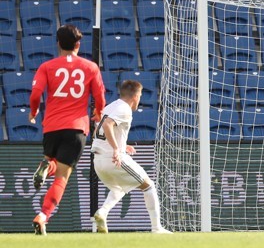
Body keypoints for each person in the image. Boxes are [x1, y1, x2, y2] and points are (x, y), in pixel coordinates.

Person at [30, 24, 106, 236]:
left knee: (54, 163)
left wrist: (34, 112)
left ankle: (46, 166)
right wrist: (99, 113)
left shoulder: (47, 66)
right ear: (78, 45)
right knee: (62, 177)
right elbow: (100, 96)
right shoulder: (90, 67)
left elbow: (36, 94)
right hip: (76, 128)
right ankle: (43, 216)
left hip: (51, 127)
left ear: (58, 44)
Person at [91, 80, 172, 234]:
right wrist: (116, 149)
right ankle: (157, 228)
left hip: (98, 161)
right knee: (148, 186)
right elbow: (108, 125)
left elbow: (98, 131)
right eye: (140, 96)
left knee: (119, 188)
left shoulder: (110, 106)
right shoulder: (124, 109)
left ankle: (102, 212)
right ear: (136, 96)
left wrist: (121, 145)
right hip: (112, 159)